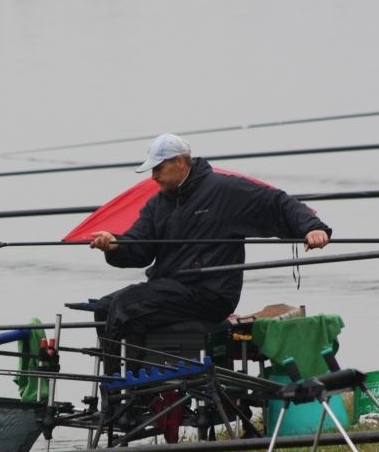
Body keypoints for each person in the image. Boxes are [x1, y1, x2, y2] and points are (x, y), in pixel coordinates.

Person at [89, 132, 331, 344]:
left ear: (181, 162)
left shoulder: (225, 191)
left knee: (126, 306)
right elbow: (139, 249)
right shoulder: (157, 204)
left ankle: (126, 389)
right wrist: (114, 244)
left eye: (158, 168)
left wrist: (311, 228)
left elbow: (277, 202)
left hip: (211, 293)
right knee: (104, 308)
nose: (153, 176)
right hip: (169, 289)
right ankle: (122, 387)